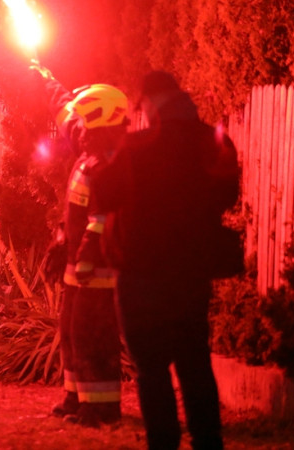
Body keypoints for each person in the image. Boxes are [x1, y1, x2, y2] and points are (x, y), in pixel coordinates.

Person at [94, 70, 240, 450]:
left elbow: (103, 196)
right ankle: (209, 443)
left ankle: (164, 443)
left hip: (141, 275)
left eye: (140, 106)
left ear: (151, 103)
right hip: (191, 276)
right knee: (195, 366)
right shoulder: (212, 142)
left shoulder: (137, 148)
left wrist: (104, 153)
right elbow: (227, 195)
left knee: (152, 373)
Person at [34, 65, 127, 427]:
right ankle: (75, 397)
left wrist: (86, 257)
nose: (80, 129)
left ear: (103, 121)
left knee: (94, 339)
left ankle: (102, 407)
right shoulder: (89, 157)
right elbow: (66, 113)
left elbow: (101, 219)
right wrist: (43, 77)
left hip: (98, 272)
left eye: (87, 122)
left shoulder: (108, 165)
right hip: (78, 267)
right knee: (71, 333)